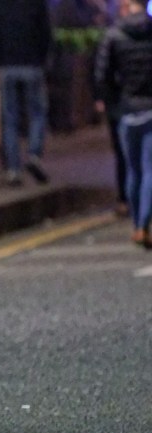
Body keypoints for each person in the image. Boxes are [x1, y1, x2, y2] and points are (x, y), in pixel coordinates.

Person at [94, 0, 152, 248]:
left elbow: (102, 75)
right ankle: (143, 224)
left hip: (126, 110)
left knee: (132, 170)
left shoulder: (114, 34)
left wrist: (112, 103)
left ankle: (136, 222)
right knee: (150, 169)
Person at [0, 0, 53, 186]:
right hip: (32, 64)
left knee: (9, 118)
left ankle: (13, 169)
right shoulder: (36, 4)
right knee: (37, 113)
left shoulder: (0, 4)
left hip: (7, 65)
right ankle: (34, 155)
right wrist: (43, 59)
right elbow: (45, 33)